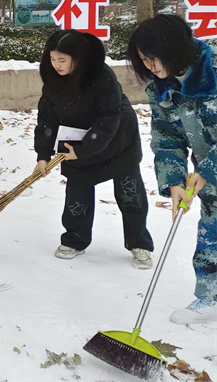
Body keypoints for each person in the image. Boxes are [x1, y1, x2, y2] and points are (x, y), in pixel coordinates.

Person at [34, 29, 153, 269]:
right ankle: (75, 239)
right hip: (75, 139)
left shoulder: (102, 77)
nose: (56, 65)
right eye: (53, 58)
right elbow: (46, 119)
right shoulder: (53, 78)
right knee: (77, 193)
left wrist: (85, 148)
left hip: (117, 140)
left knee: (130, 194)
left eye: (62, 60)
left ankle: (139, 243)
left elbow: (109, 119)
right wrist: (43, 156)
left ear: (77, 59)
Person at [127, 13, 217, 324]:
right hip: (208, 178)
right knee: (212, 232)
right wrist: (175, 182)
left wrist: (209, 170)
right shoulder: (161, 89)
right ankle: (210, 297)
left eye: (154, 58)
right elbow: (167, 138)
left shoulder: (214, 70)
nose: (150, 66)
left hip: (210, 170)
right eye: (143, 60)